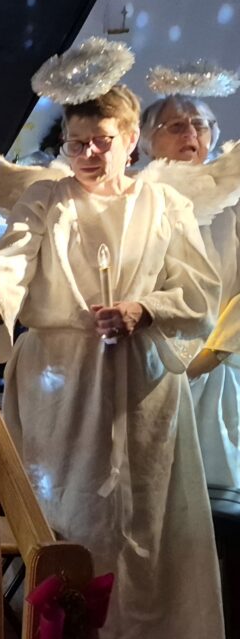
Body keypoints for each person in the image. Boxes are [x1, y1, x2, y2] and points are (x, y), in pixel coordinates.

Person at [0, 84, 224, 639]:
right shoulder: (47, 199)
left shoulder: (163, 205)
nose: (91, 156)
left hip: (138, 387)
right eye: (77, 144)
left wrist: (145, 308)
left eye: (104, 142)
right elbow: (9, 261)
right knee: (64, 515)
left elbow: (200, 293)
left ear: (131, 141)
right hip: (61, 383)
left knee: (137, 523)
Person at [140, 94, 240, 489]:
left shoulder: (233, 198)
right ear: (146, 140)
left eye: (200, 125)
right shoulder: (135, 199)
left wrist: (214, 352)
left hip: (217, 368)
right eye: (176, 126)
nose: (191, 134)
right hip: (147, 367)